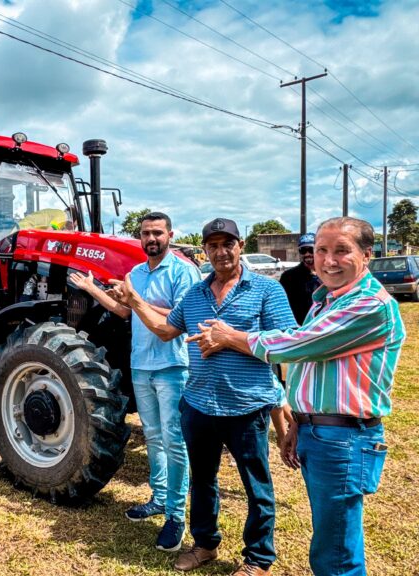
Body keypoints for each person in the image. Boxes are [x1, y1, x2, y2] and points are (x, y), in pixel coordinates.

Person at [195, 217, 406, 576]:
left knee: (335, 553)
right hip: (320, 431)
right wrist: (298, 422)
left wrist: (231, 337)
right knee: (330, 537)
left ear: (367, 255)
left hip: (344, 439)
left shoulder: (369, 305)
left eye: (342, 250)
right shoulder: (326, 300)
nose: (328, 260)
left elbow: (296, 345)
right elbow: (310, 364)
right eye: (321, 250)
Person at [110, 217, 297, 575]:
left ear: (240, 246)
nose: (221, 252)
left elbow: (287, 344)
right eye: (213, 245)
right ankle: (205, 543)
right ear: (205, 250)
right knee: (203, 480)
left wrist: (231, 338)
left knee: (255, 485)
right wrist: (134, 299)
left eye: (228, 244)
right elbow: (166, 330)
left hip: (247, 405)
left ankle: (258, 558)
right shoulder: (195, 294)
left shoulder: (266, 290)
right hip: (199, 404)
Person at [69, 211, 200, 552]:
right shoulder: (137, 273)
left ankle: (176, 515)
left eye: (157, 232)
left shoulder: (184, 272)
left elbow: (176, 319)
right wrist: (91, 288)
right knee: (154, 437)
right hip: (141, 365)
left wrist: (136, 299)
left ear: (170, 235)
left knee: (174, 441)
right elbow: (125, 311)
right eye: (146, 233)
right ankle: (158, 499)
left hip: (173, 366)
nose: (151, 238)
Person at [279, 233, 321, 325]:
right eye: (303, 250)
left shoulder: (329, 274)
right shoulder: (289, 276)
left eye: (311, 250)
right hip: (299, 328)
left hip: (324, 327)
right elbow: (282, 306)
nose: (307, 254)